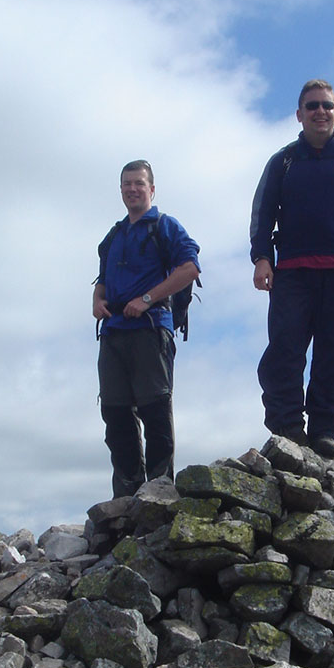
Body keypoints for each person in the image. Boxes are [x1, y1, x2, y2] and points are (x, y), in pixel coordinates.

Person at [250, 79, 334, 458]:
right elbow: (263, 214)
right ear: (299, 114)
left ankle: (326, 428)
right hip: (292, 272)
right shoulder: (283, 162)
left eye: (326, 105)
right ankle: (288, 427)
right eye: (312, 106)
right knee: (284, 351)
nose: (320, 112)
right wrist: (261, 256)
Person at [93, 160, 200, 495]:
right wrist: (97, 300)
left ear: (152, 189)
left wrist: (148, 298)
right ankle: (126, 495)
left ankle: (159, 491)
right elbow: (102, 280)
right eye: (127, 184)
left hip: (151, 330)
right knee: (115, 413)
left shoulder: (165, 227)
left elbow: (189, 269)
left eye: (139, 183)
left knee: (155, 411)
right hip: (113, 333)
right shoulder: (114, 235)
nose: (132, 189)